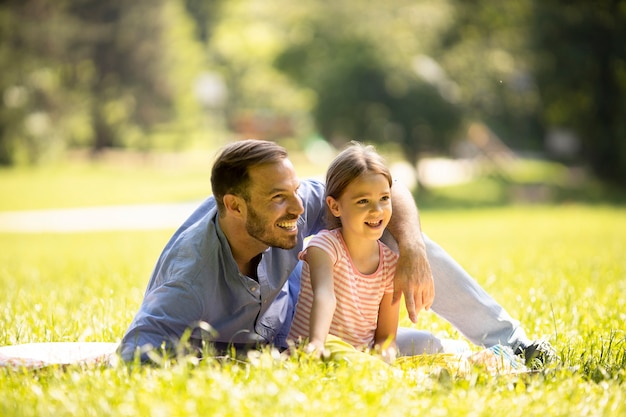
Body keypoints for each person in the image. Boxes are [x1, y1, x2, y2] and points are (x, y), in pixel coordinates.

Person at [119, 139, 555, 368]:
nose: (296, 207)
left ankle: (512, 345)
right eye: (277, 198)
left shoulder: (294, 206)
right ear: (234, 205)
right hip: (254, 349)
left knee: (386, 233)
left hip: (302, 331)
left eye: (294, 193)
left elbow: (387, 189)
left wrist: (413, 247)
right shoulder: (191, 278)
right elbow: (136, 349)